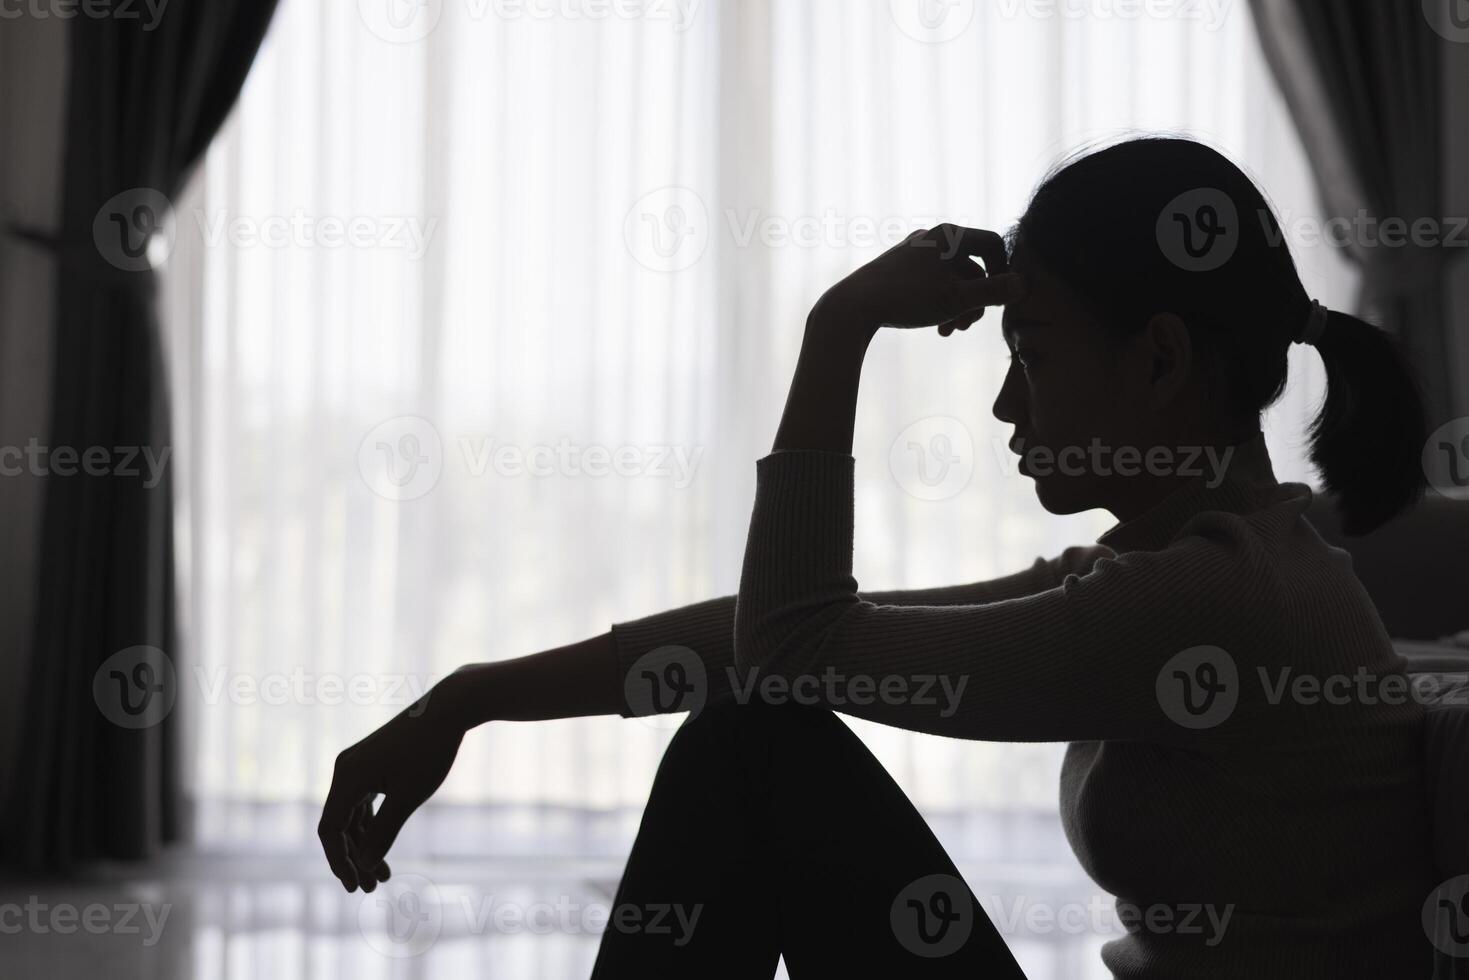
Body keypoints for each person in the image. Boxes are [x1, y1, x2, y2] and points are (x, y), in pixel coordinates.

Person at [318, 136, 1439, 978]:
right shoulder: (1199, 565)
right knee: (752, 732)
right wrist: (464, 701)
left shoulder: (1206, 596)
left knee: (754, 747)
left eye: (1032, 354)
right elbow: (760, 638)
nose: (1005, 404)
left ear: (1156, 358)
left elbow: (789, 644)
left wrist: (838, 326)